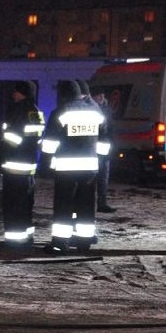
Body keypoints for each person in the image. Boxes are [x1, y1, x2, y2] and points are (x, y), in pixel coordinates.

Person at [41, 80, 110, 254]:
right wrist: (100, 163)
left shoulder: (61, 111)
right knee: (86, 204)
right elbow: (104, 141)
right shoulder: (95, 111)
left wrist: (46, 164)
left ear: (64, 94)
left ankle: (60, 243)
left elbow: (50, 143)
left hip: (66, 167)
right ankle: (84, 241)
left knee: (64, 205)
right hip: (90, 167)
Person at [0, 81, 45, 247]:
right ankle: (27, 237)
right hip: (29, 166)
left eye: (15, 91)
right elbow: (35, 139)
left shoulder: (18, 111)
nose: (13, 94)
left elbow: (11, 139)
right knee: (26, 204)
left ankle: (14, 241)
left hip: (14, 166)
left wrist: (0, 158)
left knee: (12, 204)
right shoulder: (36, 112)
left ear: (21, 92)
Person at [91, 90, 116, 213]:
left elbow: (110, 129)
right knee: (91, 178)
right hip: (91, 149)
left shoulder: (106, 109)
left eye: (103, 95)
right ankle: (90, 202)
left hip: (104, 149)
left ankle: (102, 202)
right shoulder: (91, 109)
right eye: (99, 95)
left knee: (103, 177)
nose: (101, 97)